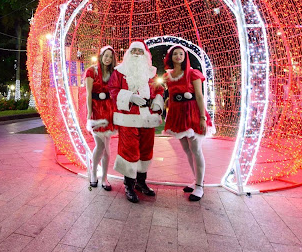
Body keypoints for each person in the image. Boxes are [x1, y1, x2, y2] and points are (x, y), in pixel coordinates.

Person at [109, 41, 164, 203]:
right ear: (128, 53)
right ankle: (129, 184)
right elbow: (113, 90)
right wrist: (131, 97)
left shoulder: (151, 72)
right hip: (128, 116)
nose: (137, 54)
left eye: (140, 51)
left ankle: (141, 182)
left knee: (146, 149)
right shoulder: (119, 71)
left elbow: (159, 90)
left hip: (147, 116)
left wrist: (157, 102)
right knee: (129, 149)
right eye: (134, 51)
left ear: (145, 54)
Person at [163, 46, 214, 202]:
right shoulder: (167, 76)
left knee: (196, 149)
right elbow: (169, 96)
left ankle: (199, 186)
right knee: (186, 149)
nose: (178, 56)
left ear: (185, 56)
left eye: (181, 54)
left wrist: (202, 118)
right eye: (175, 54)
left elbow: (199, 95)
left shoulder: (193, 73)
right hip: (177, 114)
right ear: (170, 57)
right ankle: (196, 180)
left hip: (192, 112)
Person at [85, 45, 117, 191]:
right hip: (97, 112)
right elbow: (88, 93)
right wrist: (89, 113)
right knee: (101, 145)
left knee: (107, 146)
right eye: (106, 55)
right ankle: (93, 173)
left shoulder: (113, 73)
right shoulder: (92, 71)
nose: (108, 59)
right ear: (101, 55)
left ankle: (104, 177)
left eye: (111, 56)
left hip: (109, 111)